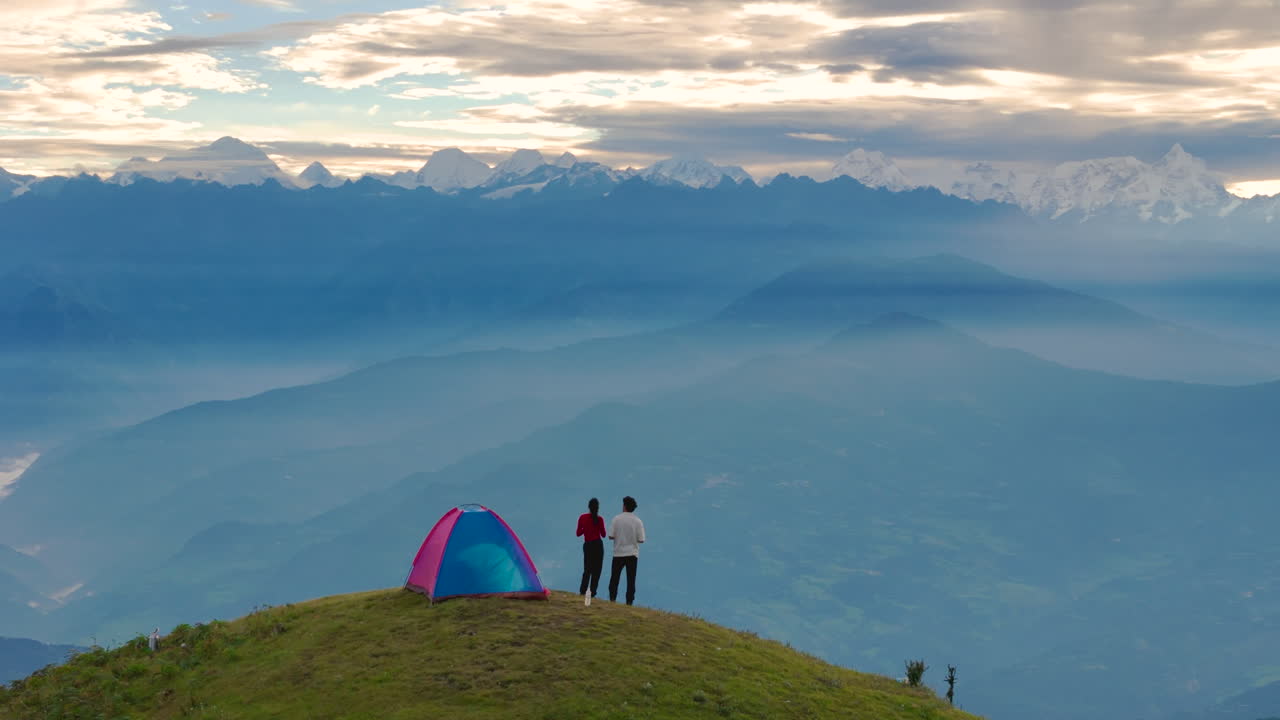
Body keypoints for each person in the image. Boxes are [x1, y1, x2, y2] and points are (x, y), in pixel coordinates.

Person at [607, 496, 645, 605]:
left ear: (624, 506)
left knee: (614, 578)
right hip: (632, 554)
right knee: (631, 580)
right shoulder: (638, 521)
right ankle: (629, 602)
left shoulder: (616, 519)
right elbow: (641, 540)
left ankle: (612, 599)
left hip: (618, 553)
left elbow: (610, 536)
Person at [576, 497, 606, 604]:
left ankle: (582, 591)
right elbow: (603, 534)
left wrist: (585, 528)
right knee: (597, 571)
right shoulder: (600, 519)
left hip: (588, 545)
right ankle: (592, 593)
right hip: (598, 545)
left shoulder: (582, 518)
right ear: (598, 508)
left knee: (587, 569)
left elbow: (578, 533)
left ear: (588, 507)